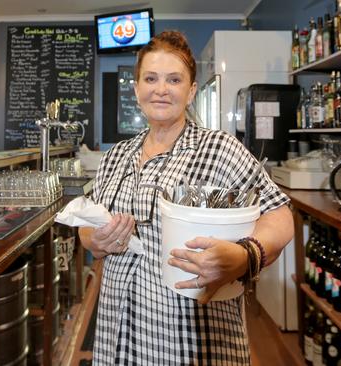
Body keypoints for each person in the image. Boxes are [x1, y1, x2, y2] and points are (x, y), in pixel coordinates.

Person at [78, 31, 294, 365]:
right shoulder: (115, 156)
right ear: (136, 89)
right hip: (117, 339)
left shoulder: (221, 149)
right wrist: (96, 240)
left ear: (191, 91)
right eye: (150, 78)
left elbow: (279, 216)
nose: (161, 89)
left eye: (174, 80)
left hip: (191, 343)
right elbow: (87, 225)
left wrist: (245, 255)